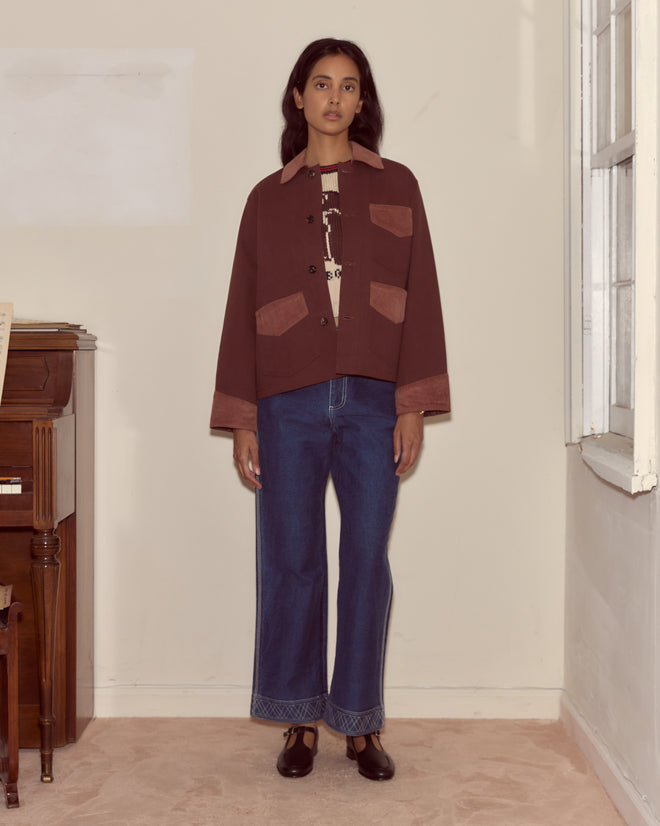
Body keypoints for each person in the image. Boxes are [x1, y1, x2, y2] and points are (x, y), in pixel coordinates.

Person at [210, 37, 450, 781]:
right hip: (288, 397)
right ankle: (298, 722)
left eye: (349, 86)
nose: (335, 98)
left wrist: (413, 405)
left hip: (375, 398)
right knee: (291, 560)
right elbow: (241, 307)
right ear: (298, 98)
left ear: (362, 101)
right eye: (321, 84)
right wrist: (243, 415)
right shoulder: (265, 198)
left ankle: (359, 723)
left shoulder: (399, 186)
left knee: (365, 559)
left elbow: (423, 300)